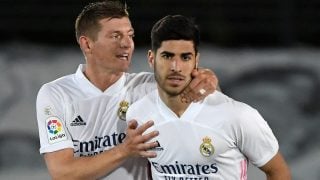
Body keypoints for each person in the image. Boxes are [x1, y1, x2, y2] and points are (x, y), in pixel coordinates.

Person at [36, 1, 218, 180]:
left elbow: (212, 104)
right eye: (116, 36)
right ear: (87, 44)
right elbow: (63, 172)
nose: (127, 44)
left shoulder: (148, 87)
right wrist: (124, 150)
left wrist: (208, 81)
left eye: (130, 35)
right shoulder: (56, 94)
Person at [126, 15, 292, 180]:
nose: (175, 67)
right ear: (151, 58)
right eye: (167, 56)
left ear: (196, 61)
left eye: (185, 57)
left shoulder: (238, 116)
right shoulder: (137, 114)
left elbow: (278, 172)